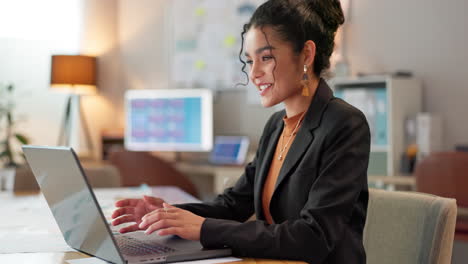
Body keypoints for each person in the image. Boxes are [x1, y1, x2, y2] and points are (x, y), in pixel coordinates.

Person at [111, 0, 370, 263]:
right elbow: (233, 205)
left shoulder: (345, 124)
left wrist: (203, 228)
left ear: (306, 55)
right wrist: (168, 213)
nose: (254, 73)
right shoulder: (275, 126)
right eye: (249, 60)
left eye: (266, 58)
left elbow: (313, 236)